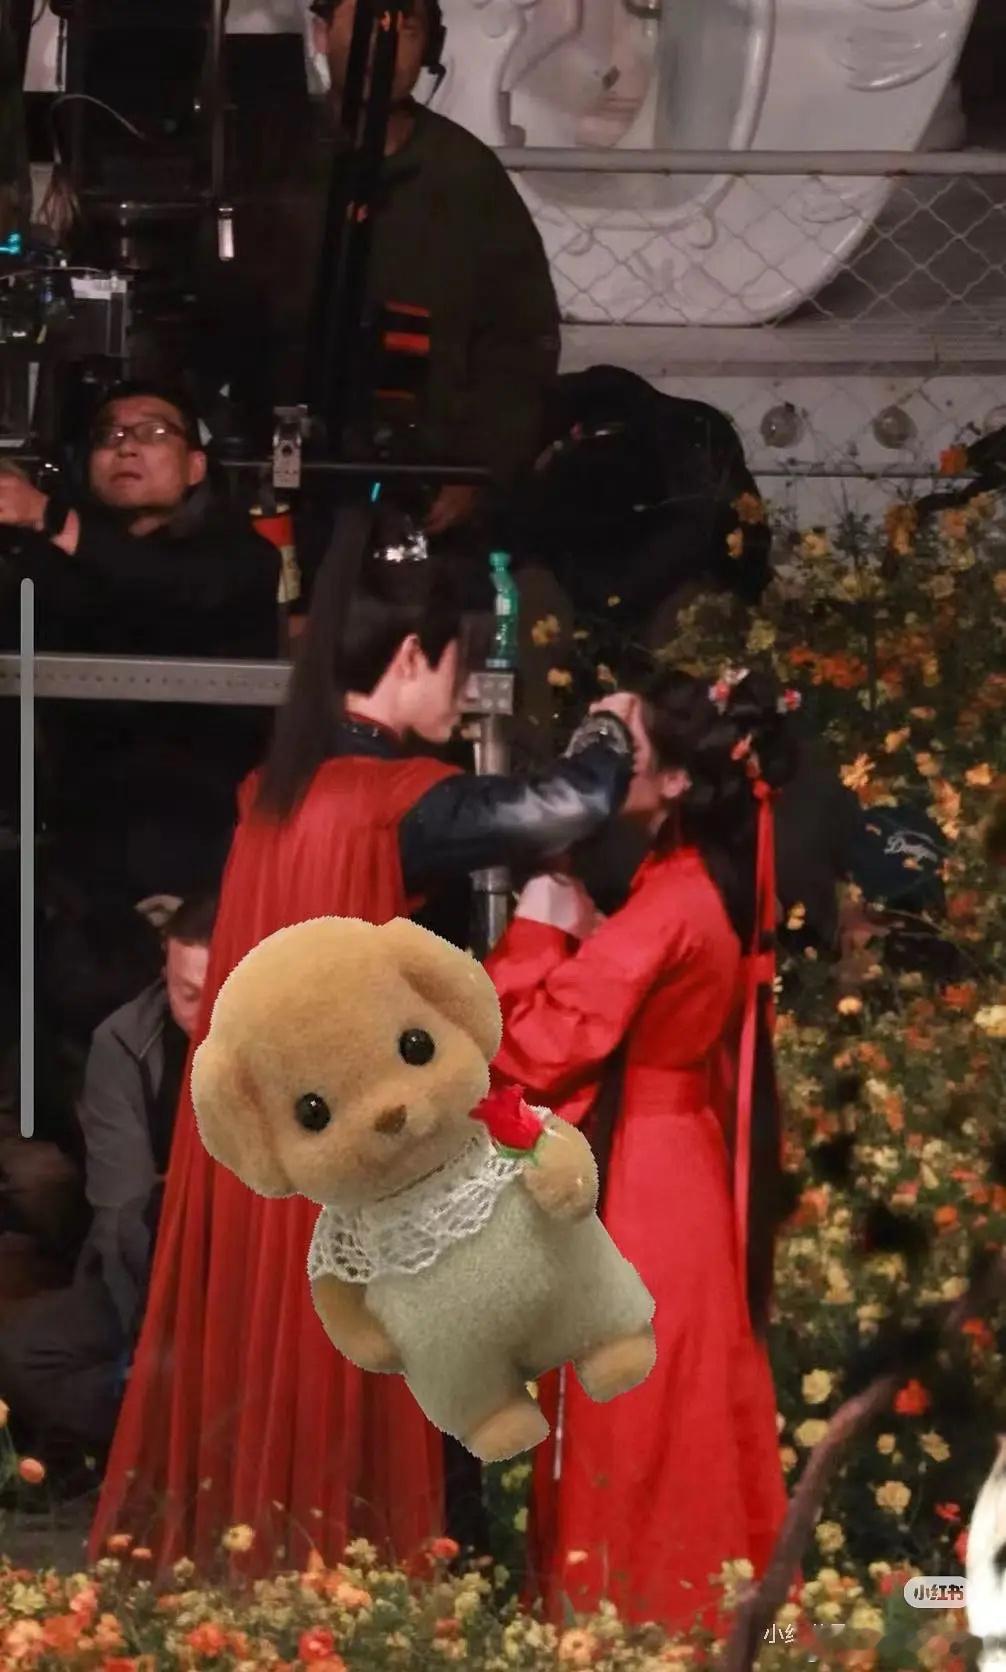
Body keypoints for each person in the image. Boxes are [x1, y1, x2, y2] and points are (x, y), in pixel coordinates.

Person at [89, 501, 636, 1577]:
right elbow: (566, 804)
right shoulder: (383, 802)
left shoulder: (275, 798)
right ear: (414, 654)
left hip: (280, 1160)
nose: (463, 692)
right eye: (458, 665)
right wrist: (611, 730)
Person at [484, 670, 794, 1631]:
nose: (594, 760)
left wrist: (537, 930)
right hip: (675, 1159)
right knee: (675, 1400)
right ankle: (686, 1614)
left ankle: (643, 1615)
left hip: (646, 1182)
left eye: (617, 744)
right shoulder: (690, 880)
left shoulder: (670, 903)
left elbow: (531, 1049)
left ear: (671, 781)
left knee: (641, 1412)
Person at [214, 0, 559, 554]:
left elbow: (519, 338)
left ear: (430, 47)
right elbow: (212, 313)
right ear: (321, 35)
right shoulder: (268, 162)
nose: (384, 44)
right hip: (278, 469)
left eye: (406, 28)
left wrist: (477, 469)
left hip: (423, 473)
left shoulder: (464, 175)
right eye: (364, 24)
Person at [0, 380, 283, 906]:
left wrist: (47, 515)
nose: (126, 446)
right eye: (110, 436)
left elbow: (173, 586)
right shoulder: (52, 560)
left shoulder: (243, 558)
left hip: (201, 830)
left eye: (153, 433)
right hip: (76, 830)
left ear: (195, 467)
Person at [0, 896, 214, 1495]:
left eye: (218, 991)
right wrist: (152, 1328)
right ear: (164, 967)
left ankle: (178, 1422)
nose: (203, 1014)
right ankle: (162, 1425)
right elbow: (123, 1209)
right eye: (187, 994)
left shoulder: (276, 1035)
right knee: (24, 1355)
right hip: (145, 1263)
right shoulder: (124, 1041)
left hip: (248, 1273)